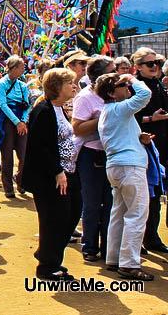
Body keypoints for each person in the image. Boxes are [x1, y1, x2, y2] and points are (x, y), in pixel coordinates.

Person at [95, 72, 158, 281]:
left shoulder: (110, 110)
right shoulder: (118, 109)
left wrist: (140, 138)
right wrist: (131, 78)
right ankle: (130, 264)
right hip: (129, 166)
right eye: (121, 86)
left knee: (120, 213)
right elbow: (144, 94)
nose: (127, 88)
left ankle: (114, 258)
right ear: (112, 93)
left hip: (118, 165)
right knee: (137, 214)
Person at [21, 68, 82, 280]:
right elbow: (41, 147)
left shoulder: (59, 109)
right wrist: (57, 171)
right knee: (54, 220)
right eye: (70, 83)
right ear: (57, 86)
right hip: (51, 178)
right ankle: (48, 266)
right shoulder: (43, 110)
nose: (74, 86)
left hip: (68, 172)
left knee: (73, 213)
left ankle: (48, 253)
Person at [71, 55, 116, 261]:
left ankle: (109, 247)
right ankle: (90, 246)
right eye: (112, 70)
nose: (117, 73)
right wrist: (104, 120)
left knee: (110, 203)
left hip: (112, 154)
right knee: (91, 203)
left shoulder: (118, 95)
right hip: (91, 155)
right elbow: (77, 128)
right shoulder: (85, 97)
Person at [129, 47, 168, 253]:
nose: (155, 67)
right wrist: (152, 119)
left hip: (162, 145)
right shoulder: (135, 88)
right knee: (145, 197)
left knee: (157, 195)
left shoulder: (159, 85)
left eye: (158, 63)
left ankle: (152, 237)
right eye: (150, 64)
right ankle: (141, 239)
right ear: (138, 66)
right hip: (143, 146)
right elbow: (129, 117)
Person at [0, 55, 31, 198]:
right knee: (7, 155)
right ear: (15, 68)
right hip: (7, 120)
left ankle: (21, 180)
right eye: (22, 67)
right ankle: (8, 187)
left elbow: (27, 104)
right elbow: (2, 104)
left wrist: (23, 121)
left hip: (21, 120)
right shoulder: (2, 84)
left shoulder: (22, 86)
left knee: (24, 154)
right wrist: (17, 122)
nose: (24, 69)